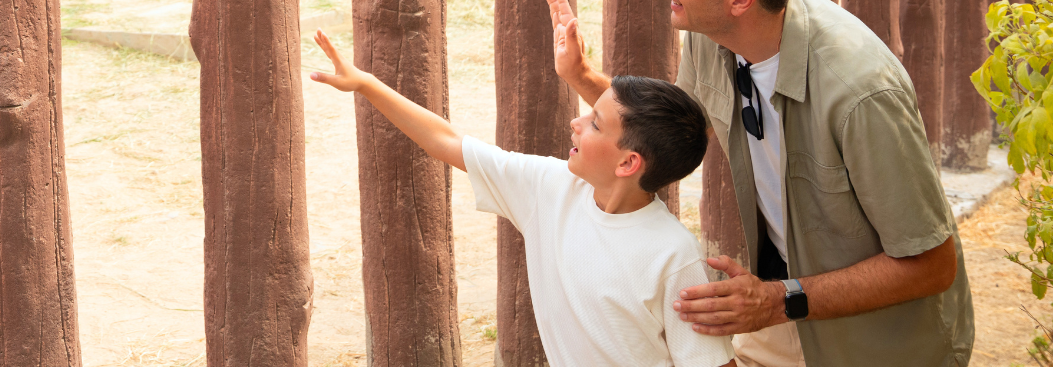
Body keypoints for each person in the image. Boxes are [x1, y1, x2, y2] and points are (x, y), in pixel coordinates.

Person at [550, 0, 975, 366]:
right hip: (782, 310)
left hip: (882, 342)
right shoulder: (714, 36)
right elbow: (666, 136)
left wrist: (777, 300)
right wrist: (582, 76)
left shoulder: (862, 95)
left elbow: (932, 265)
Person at [309, 25, 736, 367]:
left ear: (628, 163)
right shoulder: (548, 188)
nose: (576, 121)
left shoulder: (674, 255)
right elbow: (445, 141)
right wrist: (365, 84)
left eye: (595, 124)